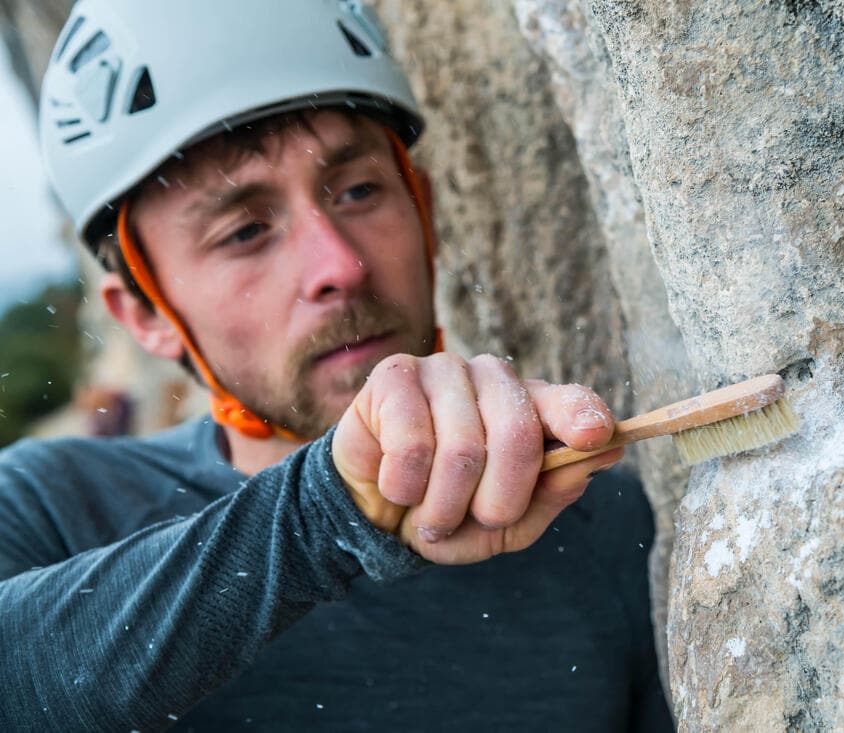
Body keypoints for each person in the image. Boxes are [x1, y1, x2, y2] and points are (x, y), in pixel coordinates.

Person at [0, 1, 675, 731]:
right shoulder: (54, 509)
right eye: (246, 230)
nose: (339, 265)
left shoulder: (593, 519)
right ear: (148, 316)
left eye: (358, 191)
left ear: (427, 212)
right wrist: (326, 511)